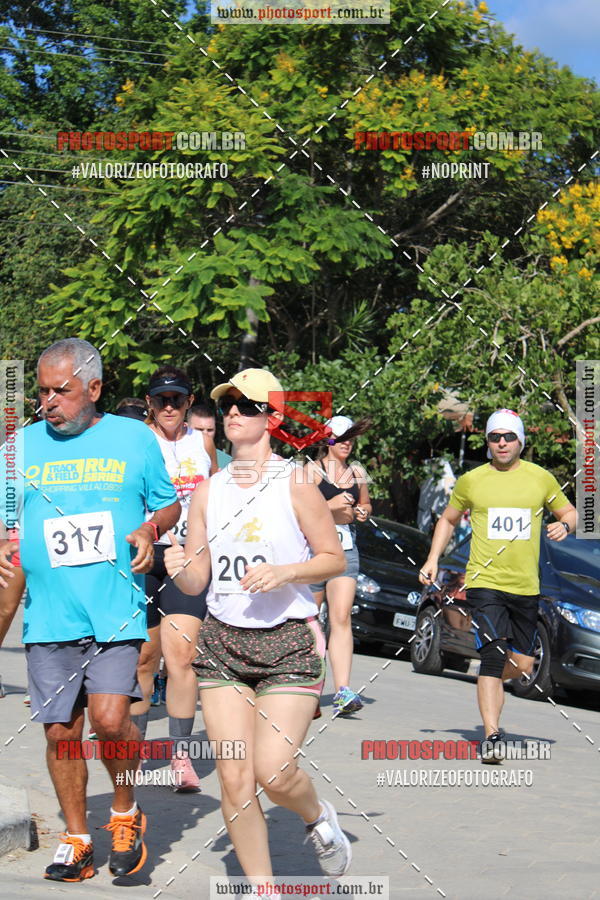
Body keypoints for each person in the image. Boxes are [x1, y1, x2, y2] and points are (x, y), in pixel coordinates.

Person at [164, 367, 352, 887]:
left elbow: (333, 558)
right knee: (233, 776)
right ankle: (262, 889)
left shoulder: (297, 482)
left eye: (246, 406)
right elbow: (199, 576)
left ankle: (317, 816)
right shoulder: (208, 492)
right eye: (228, 405)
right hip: (224, 644)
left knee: (273, 772)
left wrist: (285, 573)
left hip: (288, 643)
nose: (232, 414)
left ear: (271, 418)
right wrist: (179, 565)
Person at [0, 338, 180, 881]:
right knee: (61, 733)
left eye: (62, 391)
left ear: (95, 388)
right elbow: (8, 522)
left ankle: (124, 811)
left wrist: (149, 529)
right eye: (42, 392)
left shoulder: (133, 438)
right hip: (49, 615)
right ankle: (77, 840)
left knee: (109, 719)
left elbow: (168, 504)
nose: (48, 402)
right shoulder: (18, 447)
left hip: (114, 609)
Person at [419, 409, 577, 761]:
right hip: (484, 581)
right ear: (488, 442)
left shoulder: (541, 479)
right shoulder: (472, 481)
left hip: (525, 586)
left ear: (520, 440)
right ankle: (492, 735)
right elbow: (447, 520)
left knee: (522, 666)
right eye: (495, 437)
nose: (502, 443)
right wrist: (432, 559)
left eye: (509, 437)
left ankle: (488, 684)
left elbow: (571, 512)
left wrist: (565, 525)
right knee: (492, 656)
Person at [130, 366, 217, 791]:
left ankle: (181, 757)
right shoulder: (136, 440)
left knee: (182, 657)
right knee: (144, 658)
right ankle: (133, 752)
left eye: (177, 399)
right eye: (161, 400)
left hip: (189, 556)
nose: (169, 407)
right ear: (149, 402)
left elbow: (215, 494)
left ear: (188, 401)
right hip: (145, 555)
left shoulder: (202, 442)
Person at [308, 415, 372, 715]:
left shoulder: (357, 472)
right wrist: (328, 506)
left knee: (341, 617)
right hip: (312, 553)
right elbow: (296, 510)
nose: (346, 443)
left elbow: (366, 503)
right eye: (340, 438)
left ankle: (343, 690)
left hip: (345, 551)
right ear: (327, 440)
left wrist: (363, 511)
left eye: (351, 438)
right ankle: (306, 687)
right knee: (308, 620)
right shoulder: (311, 470)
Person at [188, 400, 232, 468]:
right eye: (200, 429)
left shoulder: (228, 464)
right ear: (186, 428)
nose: (205, 434)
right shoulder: (173, 457)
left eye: (210, 430)